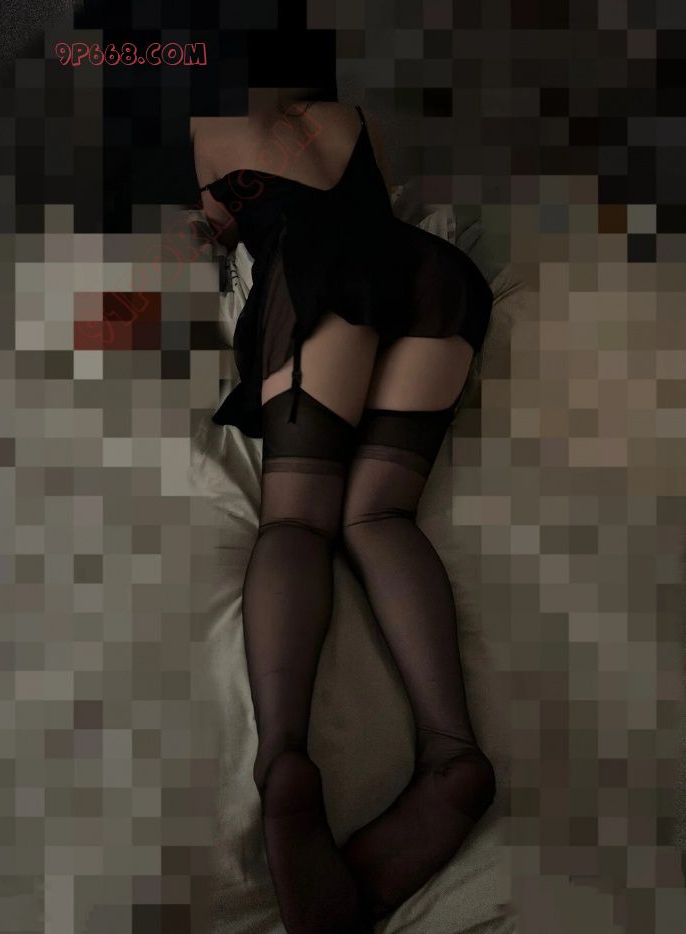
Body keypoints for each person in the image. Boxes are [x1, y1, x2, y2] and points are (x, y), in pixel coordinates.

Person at [192, 87, 497, 934]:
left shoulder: (202, 121)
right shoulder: (343, 109)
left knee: (297, 521)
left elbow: (213, 228)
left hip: (319, 271)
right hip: (434, 277)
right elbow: (372, 201)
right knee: (380, 517)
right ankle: (452, 750)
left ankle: (286, 756)